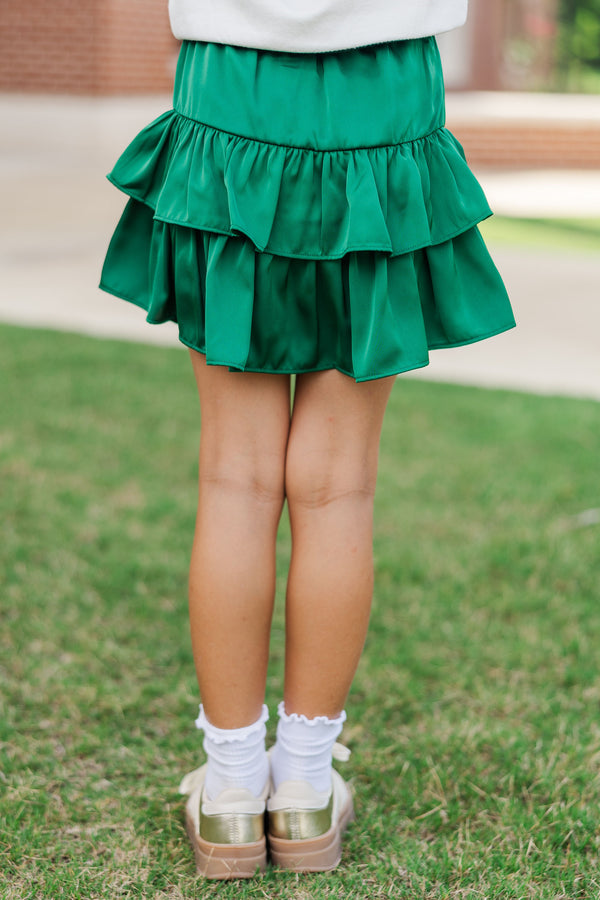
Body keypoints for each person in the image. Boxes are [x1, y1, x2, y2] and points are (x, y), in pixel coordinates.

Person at [100, 0, 515, 880]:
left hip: (233, 88)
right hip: (385, 92)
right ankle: (304, 787)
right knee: (337, 485)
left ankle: (230, 790)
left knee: (236, 479)